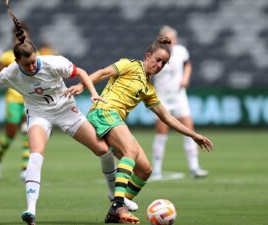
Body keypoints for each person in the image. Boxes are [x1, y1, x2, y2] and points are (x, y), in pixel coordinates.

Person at [0, 9, 136, 225]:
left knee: (104, 151)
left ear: (36, 55)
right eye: (26, 64)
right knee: (35, 154)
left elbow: (80, 72)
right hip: (39, 114)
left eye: (33, 61)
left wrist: (94, 94)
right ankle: (30, 211)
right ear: (17, 62)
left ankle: (113, 195)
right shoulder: (11, 72)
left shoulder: (53, 62)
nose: (31, 66)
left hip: (65, 110)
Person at [66, 35, 213, 224]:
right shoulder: (129, 65)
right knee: (131, 151)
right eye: (158, 60)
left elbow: (166, 117)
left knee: (145, 169)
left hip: (115, 119)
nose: (159, 65)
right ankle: (118, 205)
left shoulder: (148, 88)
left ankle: (115, 213)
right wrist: (81, 85)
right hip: (104, 111)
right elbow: (103, 73)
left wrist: (194, 135)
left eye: (164, 63)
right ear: (148, 55)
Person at [151, 25, 208, 180]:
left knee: (189, 130)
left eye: (173, 38)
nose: (171, 41)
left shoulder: (181, 51)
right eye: (168, 38)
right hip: (161, 97)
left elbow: (187, 64)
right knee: (161, 133)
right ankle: (156, 169)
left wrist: (185, 78)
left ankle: (194, 167)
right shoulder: (158, 53)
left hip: (179, 97)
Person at [0, 24, 32, 181]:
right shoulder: (7, 56)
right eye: (19, 37)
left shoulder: (35, 55)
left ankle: (24, 169)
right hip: (13, 100)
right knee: (10, 135)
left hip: (30, 100)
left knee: (28, 133)